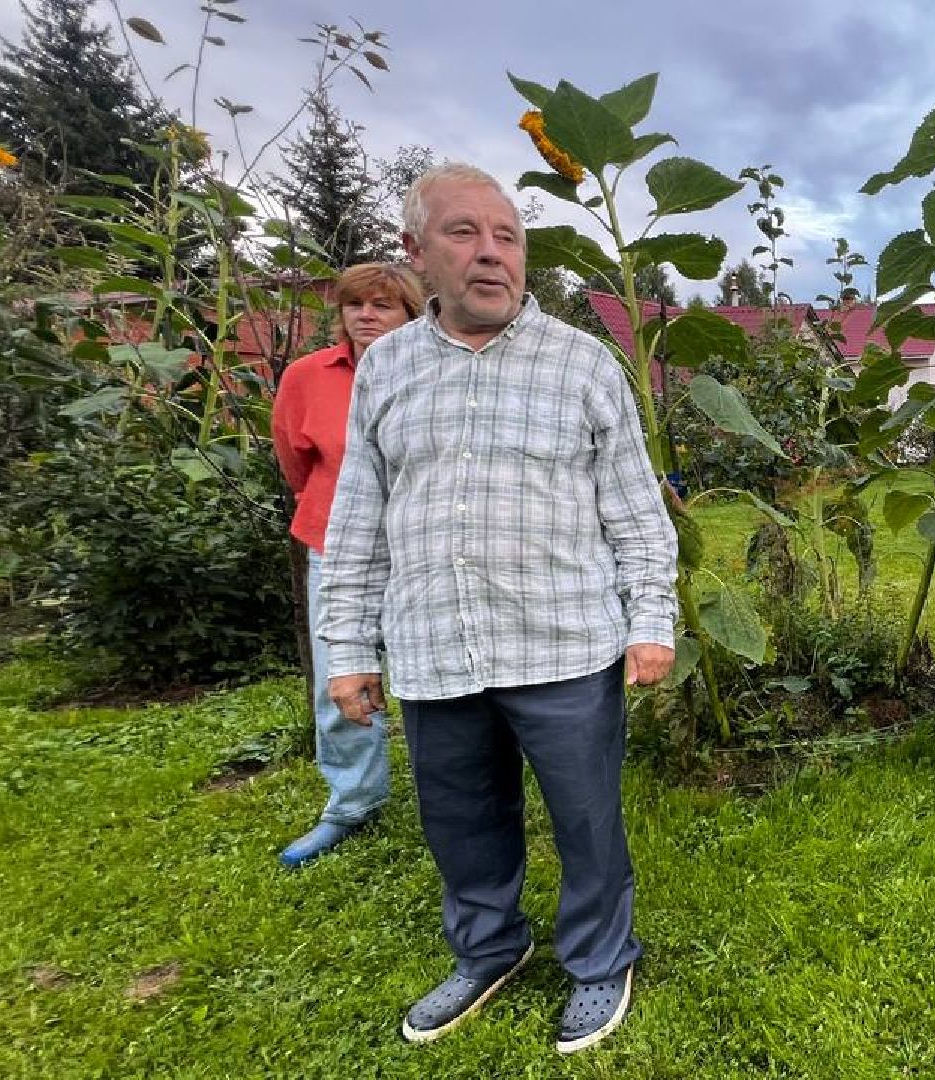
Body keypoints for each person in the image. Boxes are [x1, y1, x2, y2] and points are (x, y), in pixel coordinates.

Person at [319, 163, 677, 1055]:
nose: (491, 254)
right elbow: (358, 515)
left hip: (563, 642)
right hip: (434, 644)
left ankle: (599, 960)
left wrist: (651, 620)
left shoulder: (582, 364)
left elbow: (637, 509)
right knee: (461, 821)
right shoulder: (386, 368)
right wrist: (347, 648)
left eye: (507, 237)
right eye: (464, 233)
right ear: (416, 252)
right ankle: (488, 949)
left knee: (587, 819)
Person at [270, 261, 424, 868]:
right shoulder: (308, 377)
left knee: (438, 672)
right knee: (342, 675)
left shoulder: (431, 372)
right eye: (355, 305)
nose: (366, 316)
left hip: (420, 546)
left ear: (410, 314)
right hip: (338, 547)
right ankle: (353, 801)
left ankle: (460, 791)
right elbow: (295, 459)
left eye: (382, 305)